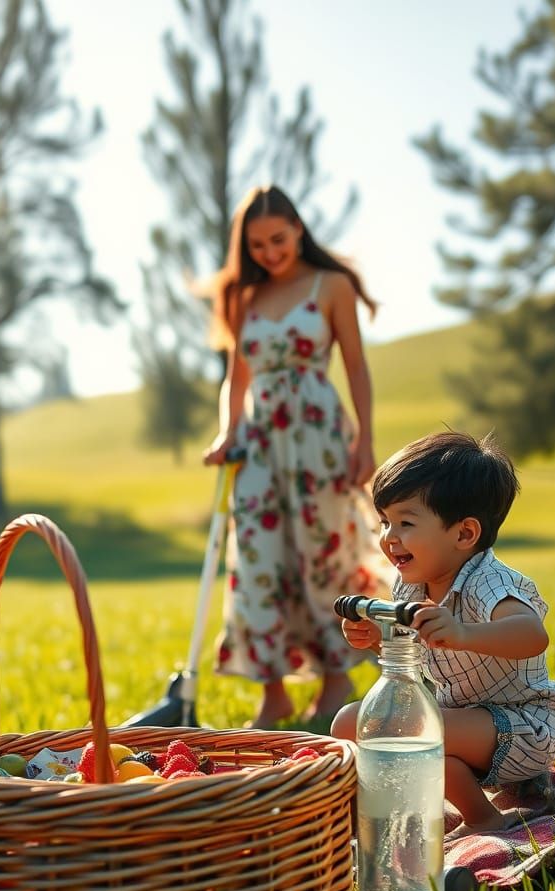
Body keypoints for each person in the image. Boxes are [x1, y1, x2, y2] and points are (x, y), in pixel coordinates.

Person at [203, 184, 389, 729]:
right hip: (258, 443)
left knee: (323, 551)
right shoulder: (243, 298)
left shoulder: (330, 286)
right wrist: (225, 432)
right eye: (257, 245)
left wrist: (366, 441)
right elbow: (235, 380)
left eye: (278, 239)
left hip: (317, 436)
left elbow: (355, 367)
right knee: (260, 559)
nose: (270, 252)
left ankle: (337, 677)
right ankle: (273, 692)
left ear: (298, 230)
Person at [332, 431, 555, 835]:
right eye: (385, 522)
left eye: (406, 523)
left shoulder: (488, 581)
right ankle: (479, 816)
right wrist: (376, 638)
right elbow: (413, 647)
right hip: (467, 726)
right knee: (363, 728)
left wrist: (462, 632)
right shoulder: (411, 586)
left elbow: (532, 634)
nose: (389, 538)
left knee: (389, 725)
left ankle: (480, 820)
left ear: (464, 534)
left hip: (523, 728)